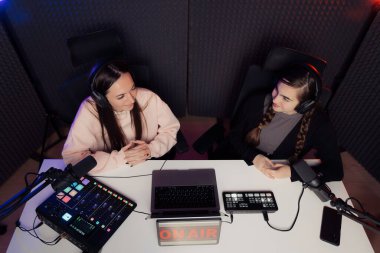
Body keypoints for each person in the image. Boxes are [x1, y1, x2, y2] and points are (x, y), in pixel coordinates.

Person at [214, 64, 343, 182]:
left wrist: (292, 172)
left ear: (304, 105)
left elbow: (335, 170)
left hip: (274, 178)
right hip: (237, 161)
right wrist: (254, 157)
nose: (275, 99)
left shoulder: (319, 124)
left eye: (285, 98)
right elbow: (233, 136)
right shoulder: (256, 101)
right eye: (276, 89)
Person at [62, 60, 180, 173]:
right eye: (121, 96)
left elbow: (170, 129)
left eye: (132, 88)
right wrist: (121, 159)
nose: (131, 99)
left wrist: (151, 149)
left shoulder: (148, 97)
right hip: (112, 169)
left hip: (150, 162)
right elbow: (73, 157)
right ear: (101, 99)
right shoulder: (89, 110)